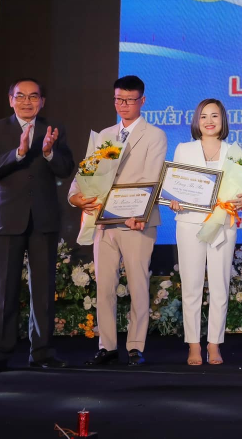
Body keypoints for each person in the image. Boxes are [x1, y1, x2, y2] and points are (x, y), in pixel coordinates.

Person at [0, 78, 74, 374]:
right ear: (11, 100)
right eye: (21, 96)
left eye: (33, 97)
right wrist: (18, 153)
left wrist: (49, 152)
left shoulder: (53, 129)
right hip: (7, 220)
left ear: (42, 101)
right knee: (2, 291)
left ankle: (42, 352)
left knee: (43, 290)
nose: (27, 102)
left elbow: (66, 168)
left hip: (43, 220)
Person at [69, 75, 167, 366]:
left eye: (130, 100)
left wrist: (138, 212)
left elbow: (151, 178)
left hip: (137, 221)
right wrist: (75, 196)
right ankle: (107, 346)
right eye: (118, 99)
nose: (123, 105)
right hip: (104, 222)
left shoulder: (154, 135)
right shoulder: (105, 135)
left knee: (137, 285)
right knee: (104, 286)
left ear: (142, 101)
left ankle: (135, 346)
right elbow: (88, 173)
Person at [168, 99, 242, 366]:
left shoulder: (234, 152)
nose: (209, 121)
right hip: (189, 223)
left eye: (214, 115)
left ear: (222, 120)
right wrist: (173, 199)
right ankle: (194, 344)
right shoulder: (184, 149)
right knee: (191, 286)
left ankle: (214, 344)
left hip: (223, 224)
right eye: (204, 116)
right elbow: (174, 185)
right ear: (197, 120)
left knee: (219, 286)